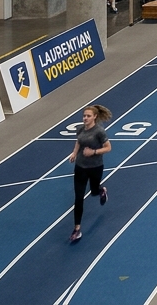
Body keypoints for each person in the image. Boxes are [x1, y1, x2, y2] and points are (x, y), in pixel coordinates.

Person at [68, 104, 112, 243]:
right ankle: (77, 229)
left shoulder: (99, 131)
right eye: (84, 116)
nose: (85, 118)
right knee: (78, 198)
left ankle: (100, 190)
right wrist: (75, 153)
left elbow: (108, 148)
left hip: (95, 166)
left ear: (95, 117)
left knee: (93, 191)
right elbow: (79, 141)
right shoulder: (80, 129)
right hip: (80, 167)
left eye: (88, 116)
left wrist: (93, 152)